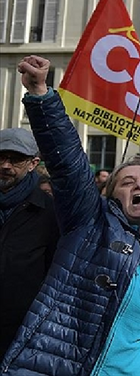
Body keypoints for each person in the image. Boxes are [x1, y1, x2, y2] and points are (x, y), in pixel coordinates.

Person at [3, 55, 140, 375]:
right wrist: (41, 94)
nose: (139, 184)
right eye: (127, 181)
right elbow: (67, 162)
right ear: (108, 195)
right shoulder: (90, 225)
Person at [0, 128, 59, 357]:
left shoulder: (50, 213)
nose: (6, 166)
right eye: (1, 157)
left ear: (33, 163)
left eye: (15, 159)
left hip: (24, 335)